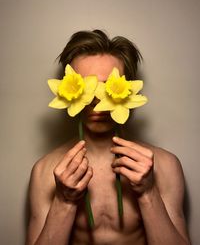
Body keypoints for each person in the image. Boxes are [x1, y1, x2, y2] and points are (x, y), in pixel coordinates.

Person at [26, 30, 191, 245]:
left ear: (128, 88)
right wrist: (63, 200)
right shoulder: (46, 171)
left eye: (106, 86)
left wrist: (148, 192)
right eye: (87, 86)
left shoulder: (165, 166)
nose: (96, 99)